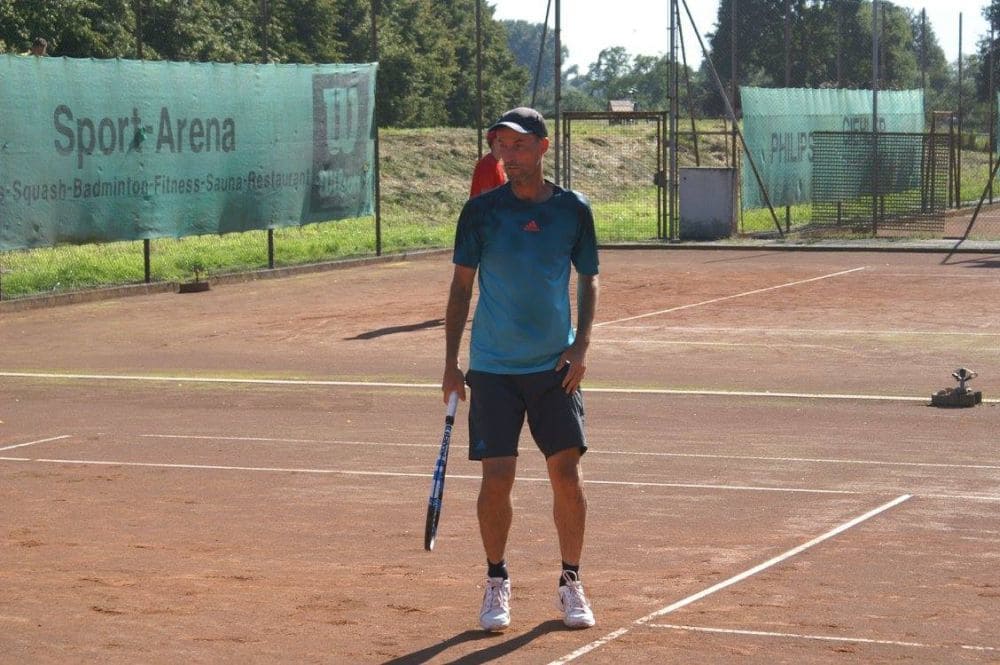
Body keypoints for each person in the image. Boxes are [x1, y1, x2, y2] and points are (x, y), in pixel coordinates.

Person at [441, 107, 600, 632]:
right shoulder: (481, 213)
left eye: (518, 146)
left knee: (567, 476)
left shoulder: (574, 210)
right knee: (497, 479)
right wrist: (450, 363)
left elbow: (588, 280)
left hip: (555, 365)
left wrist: (580, 348)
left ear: (543, 147)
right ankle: (496, 580)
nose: (508, 156)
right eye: (500, 146)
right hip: (491, 367)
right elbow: (461, 287)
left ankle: (571, 581)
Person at [468, 128, 507, 198]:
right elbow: (486, 198)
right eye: (501, 140)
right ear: (493, 142)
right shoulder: (486, 165)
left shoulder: (499, 164)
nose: (505, 144)